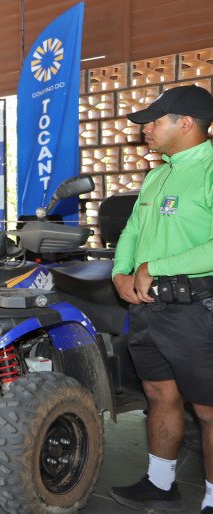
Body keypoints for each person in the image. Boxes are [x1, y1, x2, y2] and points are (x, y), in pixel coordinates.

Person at [108, 85, 213, 513]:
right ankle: (160, 482)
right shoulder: (158, 174)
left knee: (207, 410)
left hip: (196, 310)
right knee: (159, 394)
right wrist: (121, 270)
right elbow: (133, 231)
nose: (146, 130)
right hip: (149, 309)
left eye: (154, 121)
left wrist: (156, 267)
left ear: (186, 123)